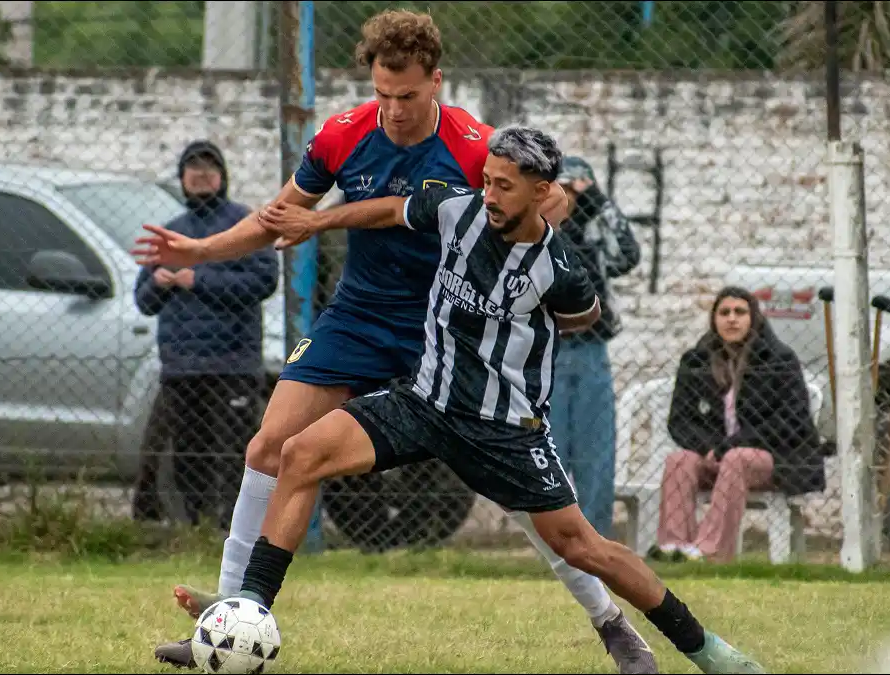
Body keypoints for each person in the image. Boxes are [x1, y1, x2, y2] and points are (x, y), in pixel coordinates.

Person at [136, 11, 656, 672]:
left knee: (523, 498)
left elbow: (543, 203)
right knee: (268, 446)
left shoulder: (475, 146)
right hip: (358, 316)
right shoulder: (343, 135)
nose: (394, 110)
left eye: (407, 95)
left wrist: (528, 226)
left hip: (448, 326)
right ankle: (229, 620)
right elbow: (281, 218)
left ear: (436, 80)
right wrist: (199, 250)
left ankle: (612, 623)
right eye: (382, 93)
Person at [223, 126, 764, 674]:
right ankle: (246, 614)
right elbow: (388, 209)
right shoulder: (455, 208)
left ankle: (708, 652)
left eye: (504, 186)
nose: (489, 195)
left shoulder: (559, 269)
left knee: (583, 546)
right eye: (487, 181)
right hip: (424, 403)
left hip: (502, 430)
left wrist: (513, 343)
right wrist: (317, 221)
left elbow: (585, 316)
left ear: (541, 192)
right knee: (300, 454)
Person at [134, 140, 279, 529]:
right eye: (193, 170)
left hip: (232, 365)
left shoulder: (246, 225)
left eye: (208, 170)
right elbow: (144, 301)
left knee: (234, 453)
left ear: (222, 176)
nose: (200, 176)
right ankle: (195, 527)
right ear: (182, 178)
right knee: (187, 454)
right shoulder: (172, 231)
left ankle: (235, 528)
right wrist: (160, 281)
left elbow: (264, 281)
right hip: (181, 368)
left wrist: (197, 279)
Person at [653, 287, 825, 563]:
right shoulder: (696, 360)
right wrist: (708, 447)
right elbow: (680, 420)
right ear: (714, 320)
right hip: (717, 454)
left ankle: (708, 552)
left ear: (753, 318)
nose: (731, 319)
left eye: (740, 312)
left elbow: (791, 421)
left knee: (737, 459)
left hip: (776, 458)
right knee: (679, 460)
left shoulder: (779, 359)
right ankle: (674, 547)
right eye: (724, 313)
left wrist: (730, 446)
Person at [551, 156, 641, 537]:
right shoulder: (535, 230)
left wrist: (599, 202)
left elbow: (628, 255)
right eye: (560, 189)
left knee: (596, 453)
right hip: (546, 354)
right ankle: (552, 538)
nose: (567, 197)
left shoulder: (595, 230)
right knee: (549, 450)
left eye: (575, 190)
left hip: (591, 350)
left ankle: (595, 540)